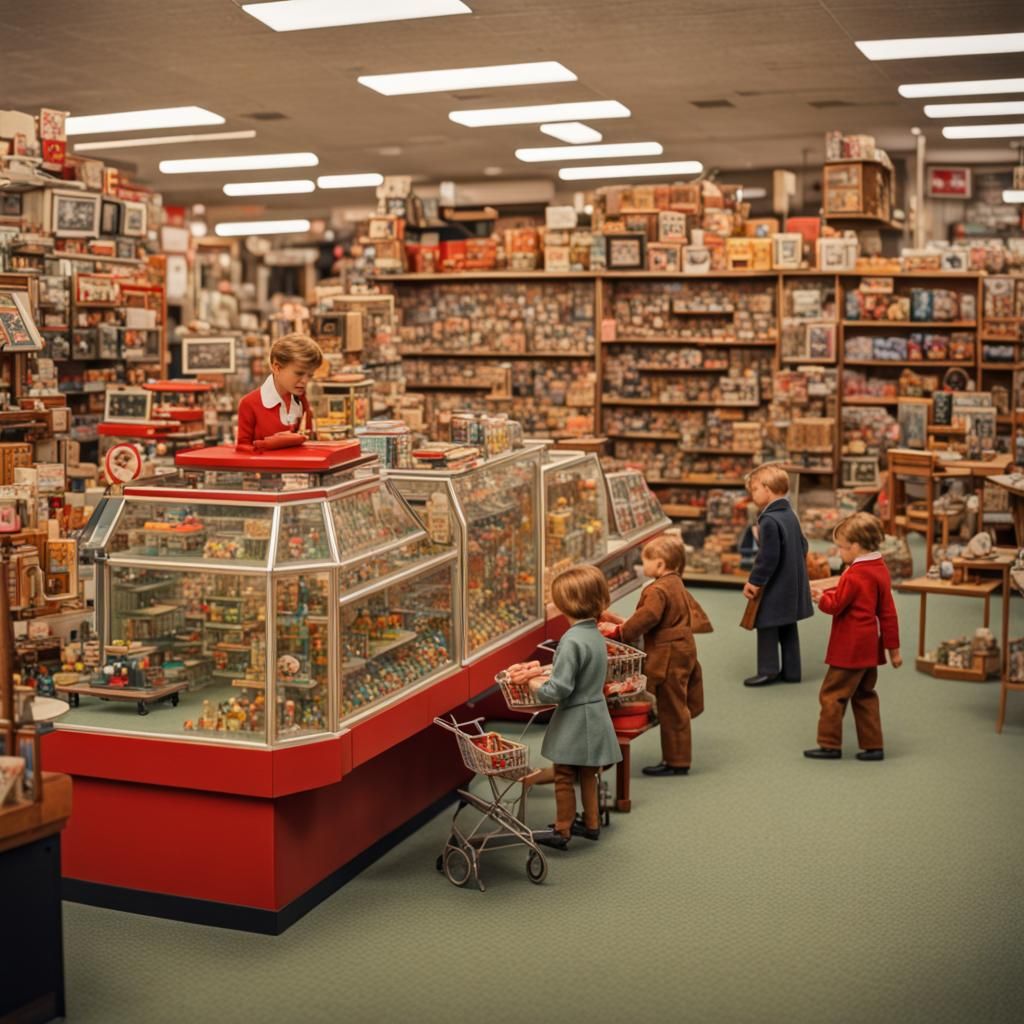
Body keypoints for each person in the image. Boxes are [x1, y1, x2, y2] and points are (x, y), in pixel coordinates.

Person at [528, 565, 622, 849]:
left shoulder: (570, 640)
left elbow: (559, 689)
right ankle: (592, 823)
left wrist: (534, 685)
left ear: (565, 603)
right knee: (589, 773)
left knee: (564, 774)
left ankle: (562, 828)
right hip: (595, 713)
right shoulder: (594, 634)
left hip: (574, 718)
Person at [603, 534, 710, 777]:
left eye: (645, 562)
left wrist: (621, 631)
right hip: (683, 647)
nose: (643, 567)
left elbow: (648, 617)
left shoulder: (656, 590)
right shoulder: (675, 583)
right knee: (677, 701)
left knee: (671, 707)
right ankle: (676, 757)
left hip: (667, 653)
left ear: (660, 564)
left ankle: (677, 761)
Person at [805, 513, 901, 761]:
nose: (839, 552)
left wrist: (820, 597)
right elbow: (888, 612)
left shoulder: (854, 574)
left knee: (832, 694)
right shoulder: (879, 569)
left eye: (842, 547)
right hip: (869, 646)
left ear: (856, 546)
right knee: (865, 694)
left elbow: (836, 605)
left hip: (849, 647)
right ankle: (873, 745)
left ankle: (829, 744)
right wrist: (893, 649)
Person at [742, 463, 814, 687]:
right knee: (788, 626)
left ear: (767, 488)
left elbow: (768, 557)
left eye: (755, 490)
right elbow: (803, 545)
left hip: (776, 586)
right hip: (792, 583)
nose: (752, 495)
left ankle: (768, 670)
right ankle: (792, 670)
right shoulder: (790, 514)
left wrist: (754, 581)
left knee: (767, 625)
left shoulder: (769, 520)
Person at [236, 333, 322, 448]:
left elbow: (307, 441)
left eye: (310, 375)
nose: (305, 381)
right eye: (299, 373)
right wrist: (270, 444)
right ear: (277, 368)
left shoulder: (301, 399)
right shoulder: (249, 404)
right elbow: (243, 449)